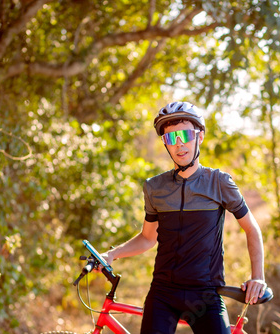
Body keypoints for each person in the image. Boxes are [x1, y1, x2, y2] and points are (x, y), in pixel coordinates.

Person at [99, 102, 267, 333]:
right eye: (170, 138)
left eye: (185, 135)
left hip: (205, 295)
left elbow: (251, 229)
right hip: (163, 294)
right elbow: (148, 238)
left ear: (200, 136)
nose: (179, 144)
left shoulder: (219, 182)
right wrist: (111, 254)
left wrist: (257, 277)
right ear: (165, 143)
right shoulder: (154, 187)